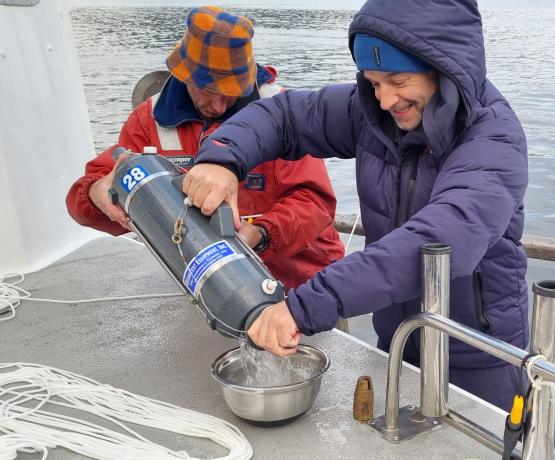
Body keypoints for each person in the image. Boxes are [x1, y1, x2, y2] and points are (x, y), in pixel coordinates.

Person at [183, 0, 528, 410]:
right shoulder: (373, 113)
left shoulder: (494, 141)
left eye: (397, 80)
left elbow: (441, 240)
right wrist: (222, 158)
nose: (384, 101)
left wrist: (303, 308)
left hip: (478, 357)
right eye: (373, 82)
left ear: (446, 67)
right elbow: (286, 116)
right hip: (397, 341)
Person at [66, 6, 344, 289]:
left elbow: (314, 203)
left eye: (231, 94)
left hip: (301, 280)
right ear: (183, 74)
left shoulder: (283, 114)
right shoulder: (148, 122)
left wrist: (260, 236)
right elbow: (80, 203)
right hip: (210, 284)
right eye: (208, 91)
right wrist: (97, 193)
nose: (219, 106)